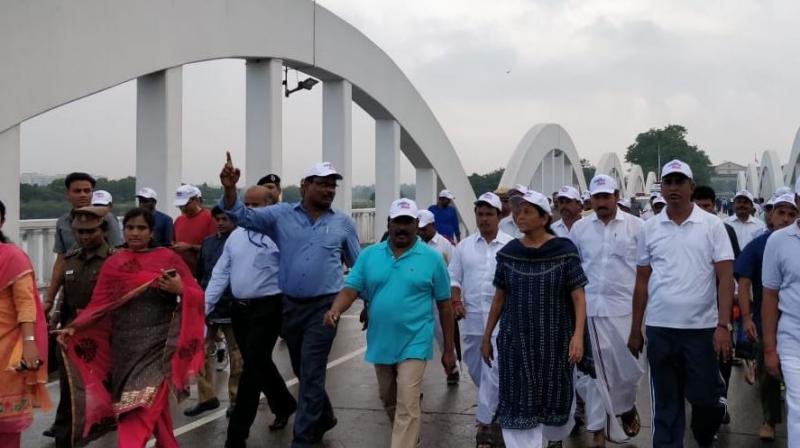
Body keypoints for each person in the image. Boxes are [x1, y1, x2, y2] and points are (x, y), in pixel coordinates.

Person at [219, 155, 360, 447]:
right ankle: (325, 416)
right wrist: (230, 189)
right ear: (304, 186)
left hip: (326, 308)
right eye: (322, 184)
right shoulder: (281, 215)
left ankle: (302, 439)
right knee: (302, 368)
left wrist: (370, 304)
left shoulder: (343, 223)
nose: (329, 190)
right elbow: (242, 216)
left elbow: (359, 268)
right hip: (291, 306)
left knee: (311, 371)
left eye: (332, 185)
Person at [55, 208, 205, 448]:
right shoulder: (115, 262)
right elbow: (99, 305)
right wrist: (74, 328)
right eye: (130, 228)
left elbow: (197, 296)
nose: (135, 233)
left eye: (141, 228)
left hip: (158, 347)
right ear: (123, 230)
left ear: (151, 231)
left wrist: (180, 290)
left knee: (136, 412)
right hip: (124, 349)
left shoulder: (168, 258)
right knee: (154, 410)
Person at [323, 198, 455, 448]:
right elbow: (351, 288)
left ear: (417, 225)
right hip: (381, 341)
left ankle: (403, 439)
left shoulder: (432, 258)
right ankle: (409, 437)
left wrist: (449, 350)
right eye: (397, 222)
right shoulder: (370, 255)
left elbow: (445, 306)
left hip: (415, 340)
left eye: (408, 222)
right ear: (389, 224)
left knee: (407, 401)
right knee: (388, 397)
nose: (402, 228)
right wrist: (336, 309)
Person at [627, 160, 734, 447]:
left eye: (679, 182)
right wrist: (636, 329)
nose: (673, 188)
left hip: (701, 330)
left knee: (705, 399)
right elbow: (641, 281)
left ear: (691, 186)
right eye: (668, 182)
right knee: (666, 404)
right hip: (661, 329)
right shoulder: (650, 228)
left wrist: (723, 325)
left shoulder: (712, 225)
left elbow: (725, 277)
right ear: (661, 187)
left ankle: (710, 420)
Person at [481, 189, 587, 448]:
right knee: (517, 400)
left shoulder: (564, 250)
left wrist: (578, 337)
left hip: (554, 340)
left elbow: (578, 297)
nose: (520, 217)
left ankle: (550, 440)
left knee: (553, 400)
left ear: (544, 218)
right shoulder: (510, 252)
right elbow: (499, 297)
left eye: (527, 211)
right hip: (515, 340)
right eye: (518, 212)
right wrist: (487, 337)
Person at [206, 186, 298, 447]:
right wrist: (204, 307)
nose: (247, 211)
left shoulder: (280, 235)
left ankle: (236, 435)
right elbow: (220, 274)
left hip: (269, 308)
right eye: (245, 204)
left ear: (272, 206)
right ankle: (284, 404)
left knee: (251, 370)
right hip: (240, 310)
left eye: (255, 206)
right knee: (258, 363)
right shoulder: (235, 237)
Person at [569, 175, 645, 447]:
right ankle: (599, 432)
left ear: (616, 196)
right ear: (590, 199)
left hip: (624, 311)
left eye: (606, 197)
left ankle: (625, 404)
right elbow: (573, 269)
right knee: (592, 376)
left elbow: (645, 274)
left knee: (628, 371)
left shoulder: (637, 227)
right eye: (596, 197)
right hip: (588, 311)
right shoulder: (579, 229)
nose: (601, 202)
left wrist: (639, 322)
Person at [46, 207, 114, 447]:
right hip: (71, 337)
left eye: (90, 231)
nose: (84, 236)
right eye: (79, 232)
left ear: (103, 230)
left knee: (105, 394)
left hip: (104, 340)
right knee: (70, 394)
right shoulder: (71, 258)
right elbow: (65, 295)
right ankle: (66, 439)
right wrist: (54, 316)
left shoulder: (113, 260)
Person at [449, 192, 513, 448]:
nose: (484, 219)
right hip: (472, 320)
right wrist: (456, 301)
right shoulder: (463, 246)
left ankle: (484, 426)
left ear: (499, 216)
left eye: (489, 214)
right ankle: (494, 411)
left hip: (501, 322)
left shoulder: (511, 246)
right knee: (477, 370)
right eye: (480, 214)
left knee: (494, 371)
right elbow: (453, 278)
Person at [735, 193, 797, 441]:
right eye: (780, 212)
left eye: (791, 214)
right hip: (767, 321)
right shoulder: (761, 245)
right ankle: (769, 420)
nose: (785, 219)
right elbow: (745, 280)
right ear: (770, 215)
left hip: (793, 321)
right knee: (770, 373)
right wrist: (747, 318)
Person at [0, 199, 52, 448]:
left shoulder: (12, 257)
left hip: (6, 349)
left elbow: (26, 304)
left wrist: (30, 343)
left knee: (7, 424)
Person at [183, 206, 242, 418]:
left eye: (225, 218)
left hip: (233, 305)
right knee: (200, 351)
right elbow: (202, 273)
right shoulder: (208, 243)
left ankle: (236, 399)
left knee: (237, 355)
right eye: (217, 218)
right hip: (208, 304)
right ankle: (206, 397)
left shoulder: (239, 241)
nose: (220, 222)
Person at [44, 172, 123, 316]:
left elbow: (119, 255)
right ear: (67, 195)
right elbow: (61, 262)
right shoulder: (63, 222)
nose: (83, 195)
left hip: (100, 292)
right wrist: (49, 299)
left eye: (87, 191)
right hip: (73, 288)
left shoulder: (107, 219)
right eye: (77, 191)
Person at [761, 192, 800, 447]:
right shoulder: (778, 240)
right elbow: (769, 297)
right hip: (792, 338)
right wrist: (770, 349)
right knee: (798, 410)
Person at [417, 209, 461, 385]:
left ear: (433, 225)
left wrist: (456, 300)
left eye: (424, 228)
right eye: (418, 228)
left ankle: (452, 367)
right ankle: (414, 378)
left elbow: (454, 273)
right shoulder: (415, 245)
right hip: (420, 298)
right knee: (418, 338)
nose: (421, 232)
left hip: (440, 300)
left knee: (444, 336)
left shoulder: (446, 245)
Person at [173, 184, 217, 274]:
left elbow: (215, 248)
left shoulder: (210, 218)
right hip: (181, 272)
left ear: (196, 200)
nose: (183, 208)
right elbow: (173, 241)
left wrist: (190, 247)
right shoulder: (179, 220)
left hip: (202, 273)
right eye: (180, 206)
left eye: (185, 204)